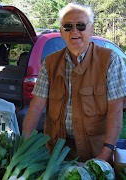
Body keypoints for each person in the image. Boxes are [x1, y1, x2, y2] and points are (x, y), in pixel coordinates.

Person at [23, 2, 126, 163]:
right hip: (56, 155)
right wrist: (25, 142)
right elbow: (37, 105)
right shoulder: (49, 63)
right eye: (68, 26)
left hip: (96, 154)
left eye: (81, 26)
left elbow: (116, 109)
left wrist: (107, 151)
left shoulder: (111, 60)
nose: (74, 31)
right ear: (61, 32)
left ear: (91, 29)